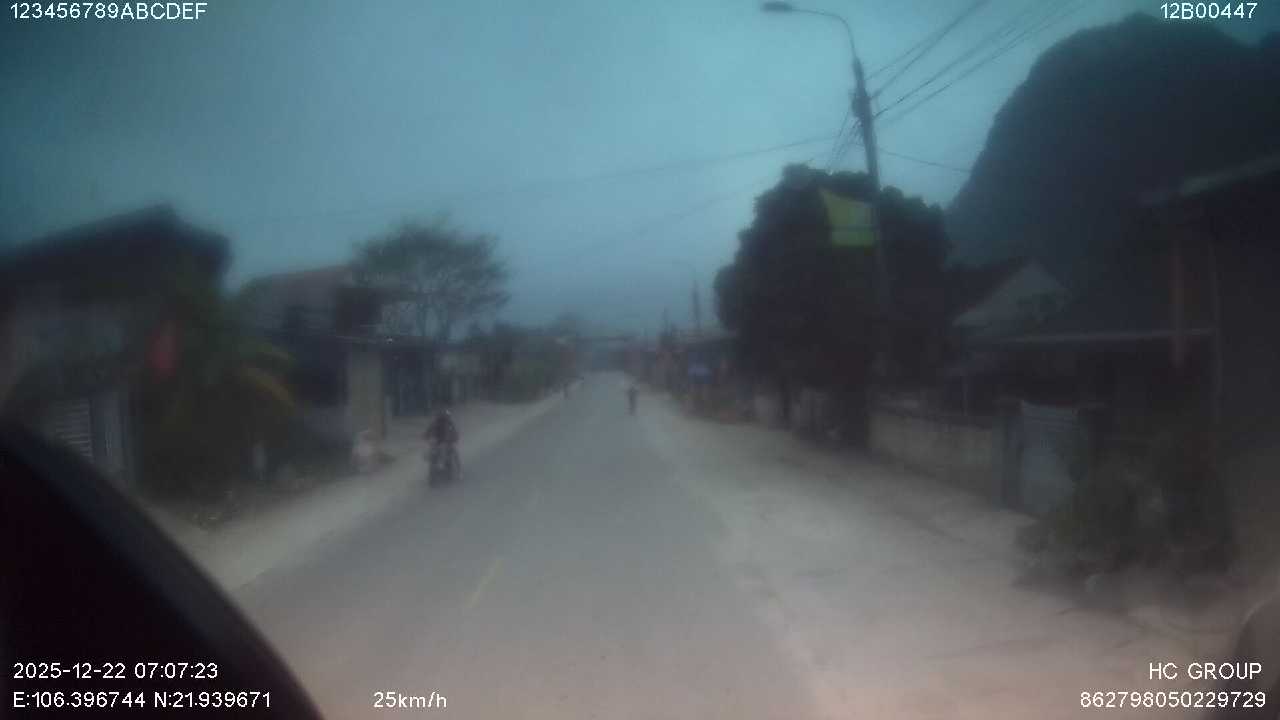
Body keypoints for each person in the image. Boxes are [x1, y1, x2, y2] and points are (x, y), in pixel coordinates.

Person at [424, 408, 460, 477]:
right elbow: (427, 432)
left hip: (446, 442)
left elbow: (454, 433)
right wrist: (426, 437)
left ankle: (458, 471)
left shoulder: (449, 424)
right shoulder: (434, 424)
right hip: (437, 442)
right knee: (431, 450)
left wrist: (453, 438)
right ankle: (436, 461)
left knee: (454, 453)